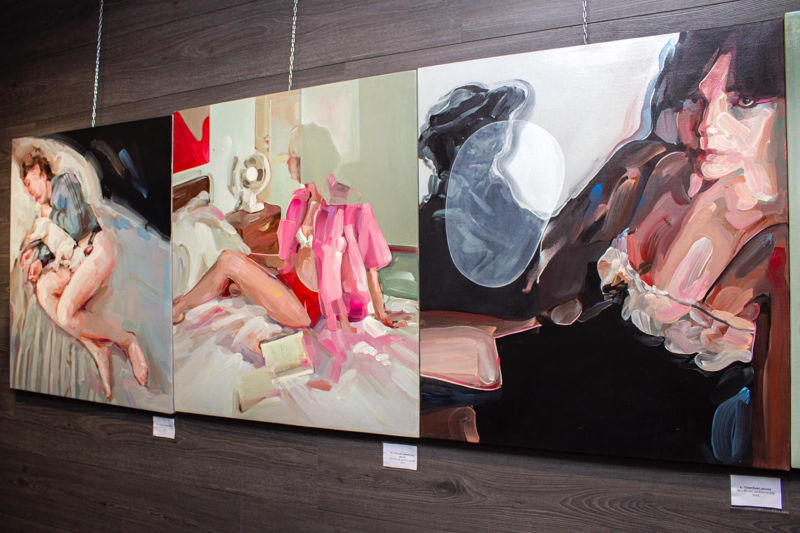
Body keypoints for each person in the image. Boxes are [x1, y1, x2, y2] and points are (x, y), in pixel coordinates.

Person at [419, 20, 788, 467]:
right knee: (403, 361)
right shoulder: (654, 172)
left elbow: (776, 448)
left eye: (743, 102)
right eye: (697, 99)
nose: (707, 125)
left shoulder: (777, 248)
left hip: (631, 445)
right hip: (552, 387)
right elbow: (557, 307)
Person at [172, 126, 402, 332]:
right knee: (232, 262)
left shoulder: (350, 201)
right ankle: (182, 305)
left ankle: (177, 308)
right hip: (291, 288)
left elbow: (372, 264)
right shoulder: (298, 203)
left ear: (307, 160)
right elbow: (285, 262)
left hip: (312, 306)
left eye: (292, 155)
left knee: (228, 261)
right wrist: (250, 265)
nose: (287, 161)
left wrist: (381, 313)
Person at [17, 150, 149, 399]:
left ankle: (127, 340)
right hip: (78, 258)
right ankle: (96, 349)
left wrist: (49, 214)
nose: (28, 191)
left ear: (38, 171)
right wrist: (38, 260)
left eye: (28, 183)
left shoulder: (64, 182)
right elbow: (56, 241)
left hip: (96, 248)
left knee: (65, 315)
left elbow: (76, 226)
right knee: (43, 288)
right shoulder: (46, 208)